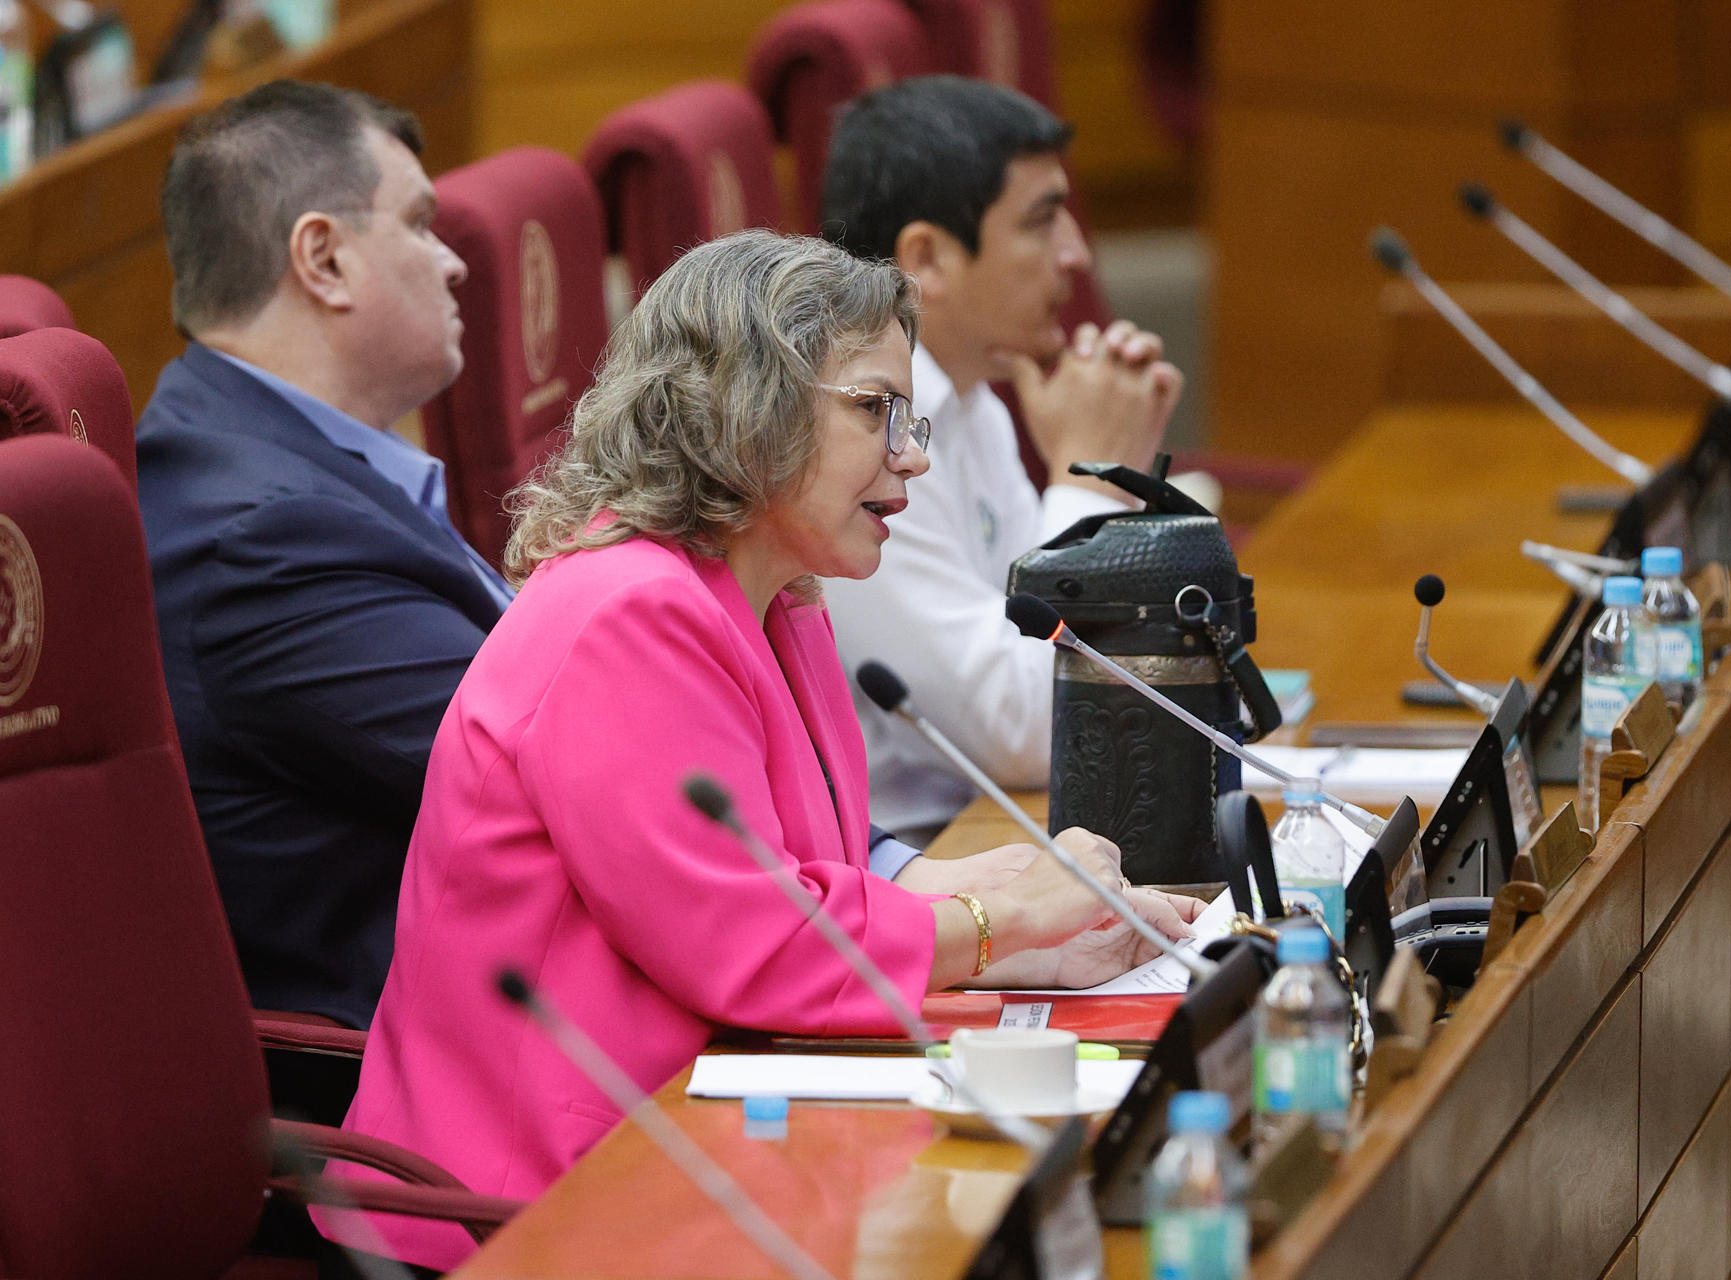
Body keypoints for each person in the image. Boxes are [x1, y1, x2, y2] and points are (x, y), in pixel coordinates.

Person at [328, 231, 1202, 1270]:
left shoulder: (775, 597)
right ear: (747, 405)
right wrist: (1001, 916)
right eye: (878, 409)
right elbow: (752, 941)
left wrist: (1022, 945)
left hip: (699, 1132)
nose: (913, 453)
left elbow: (799, 878)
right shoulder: (625, 615)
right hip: (533, 1209)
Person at [137, 81, 511, 1029]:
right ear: (324, 259)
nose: (454, 262)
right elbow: (566, 770)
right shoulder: (259, 535)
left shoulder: (275, 459)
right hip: (432, 1077)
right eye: (421, 225)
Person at [817, 75, 1185, 844]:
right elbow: (1031, 727)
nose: (1077, 255)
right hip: (913, 855)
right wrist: (1092, 478)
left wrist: (1111, 472)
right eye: (1043, 222)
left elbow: (1080, 659)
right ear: (929, 257)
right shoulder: (852, 436)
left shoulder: (972, 400)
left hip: (995, 826)